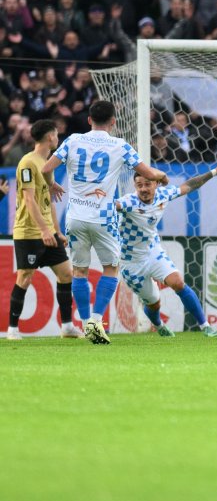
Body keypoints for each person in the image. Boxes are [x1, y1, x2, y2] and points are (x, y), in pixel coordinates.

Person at [41, 100, 168, 344]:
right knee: (111, 268)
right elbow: (149, 174)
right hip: (104, 218)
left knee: (79, 270)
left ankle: (87, 322)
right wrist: (161, 177)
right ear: (113, 122)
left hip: (76, 217)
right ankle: (95, 320)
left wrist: (51, 183)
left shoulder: (73, 140)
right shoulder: (120, 145)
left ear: (89, 120)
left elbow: (46, 167)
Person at [115, 163, 217, 338]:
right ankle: (159, 325)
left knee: (178, 283)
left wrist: (214, 171)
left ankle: (205, 326)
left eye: (147, 184)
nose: (144, 189)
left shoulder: (163, 194)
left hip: (153, 251)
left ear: (156, 184)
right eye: (139, 186)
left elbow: (190, 185)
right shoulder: (128, 202)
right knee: (154, 303)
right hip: (131, 262)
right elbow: (109, 207)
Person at [7, 119, 82, 340]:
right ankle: (12, 329)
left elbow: (48, 202)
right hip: (29, 232)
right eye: (56, 134)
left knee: (66, 273)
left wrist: (56, 231)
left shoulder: (48, 162)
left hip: (48, 231)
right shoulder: (27, 163)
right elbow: (29, 201)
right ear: (50, 137)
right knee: (25, 276)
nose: (58, 138)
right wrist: (44, 231)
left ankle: (67, 326)